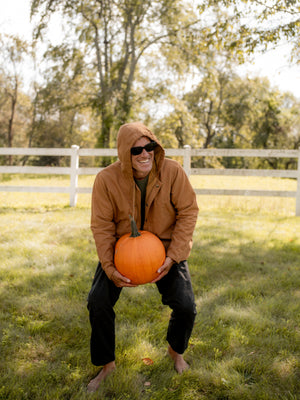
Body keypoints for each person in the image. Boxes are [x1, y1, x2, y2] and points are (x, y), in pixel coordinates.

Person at [87, 122, 199, 393]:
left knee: (186, 306)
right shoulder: (106, 180)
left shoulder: (172, 171)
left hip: (166, 250)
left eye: (149, 147)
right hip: (122, 252)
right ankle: (107, 365)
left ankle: (176, 352)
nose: (144, 154)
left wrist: (173, 257)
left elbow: (188, 212)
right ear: (125, 153)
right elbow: (101, 226)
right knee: (97, 302)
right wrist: (110, 267)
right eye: (136, 150)